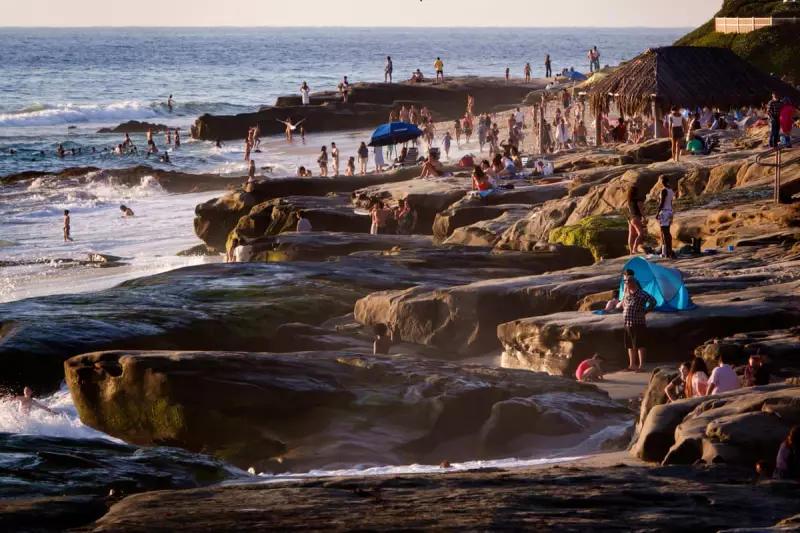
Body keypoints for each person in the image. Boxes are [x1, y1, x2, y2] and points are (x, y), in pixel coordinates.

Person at [622, 270, 656, 372]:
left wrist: (645, 311)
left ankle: (641, 366)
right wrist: (625, 309)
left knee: (640, 345)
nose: (626, 285)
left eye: (627, 283)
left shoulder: (642, 294)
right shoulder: (627, 294)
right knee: (629, 345)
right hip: (627, 323)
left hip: (638, 323)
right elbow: (623, 302)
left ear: (633, 283)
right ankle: (632, 365)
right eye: (625, 283)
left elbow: (653, 301)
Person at [656, 176, 675, 259]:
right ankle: (669, 249)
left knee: (664, 231)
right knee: (667, 231)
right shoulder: (671, 190)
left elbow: (662, 203)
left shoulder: (664, 190)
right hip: (670, 210)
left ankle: (667, 251)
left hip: (664, 211)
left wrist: (657, 212)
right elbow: (670, 202)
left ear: (662, 182)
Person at [627, 184, 646, 254]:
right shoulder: (638, 201)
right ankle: (635, 248)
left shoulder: (629, 201)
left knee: (631, 234)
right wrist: (644, 218)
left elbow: (630, 210)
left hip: (630, 218)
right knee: (641, 234)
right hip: (636, 218)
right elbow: (641, 210)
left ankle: (630, 251)